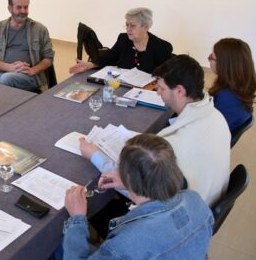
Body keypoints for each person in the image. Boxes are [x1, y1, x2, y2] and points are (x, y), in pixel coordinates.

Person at [81, 55, 230, 205]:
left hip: (180, 214)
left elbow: (144, 193)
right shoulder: (217, 116)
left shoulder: (170, 150)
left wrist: (94, 155)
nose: (158, 93)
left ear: (179, 90)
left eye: (162, 88)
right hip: (207, 201)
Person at [60, 134, 213, 259]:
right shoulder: (195, 200)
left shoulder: (124, 245)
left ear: (130, 177)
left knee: (57, 246)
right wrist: (131, 183)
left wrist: (77, 219)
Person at [0, 0, 55, 92]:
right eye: (19, 7)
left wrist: (33, 70)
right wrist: (9, 68)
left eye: (26, 7)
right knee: (4, 79)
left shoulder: (40, 29)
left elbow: (49, 57)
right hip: (1, 73)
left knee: (5, 80)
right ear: (9, 8)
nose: (23, 11)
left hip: (29, 77)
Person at [69, 7, 172, 75]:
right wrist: (89, 65)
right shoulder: (123, 39)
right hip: (122, 89)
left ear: (145, 27)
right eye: (127, 25)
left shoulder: (162, 47)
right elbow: (108, 57)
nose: (128, 29)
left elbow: (166, 78)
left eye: (132, 26)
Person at [208, 38, 256, 134]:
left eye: (211, 57)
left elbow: (210, 131)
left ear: (224, 64)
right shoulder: (240, 86)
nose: (209, 59)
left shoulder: (227, 98)